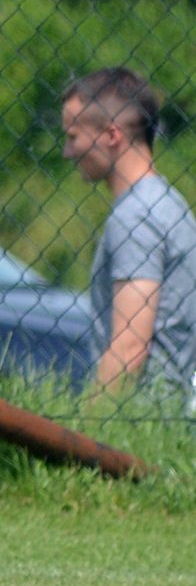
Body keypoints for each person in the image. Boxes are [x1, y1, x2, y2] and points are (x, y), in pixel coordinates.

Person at [59, 67, 196, 399]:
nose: (67, 151)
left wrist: (88, 423)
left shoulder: (135, 217)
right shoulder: (168, 202)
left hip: (145, 411)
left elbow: (130, 345)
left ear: (111, 135)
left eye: (73, 136)